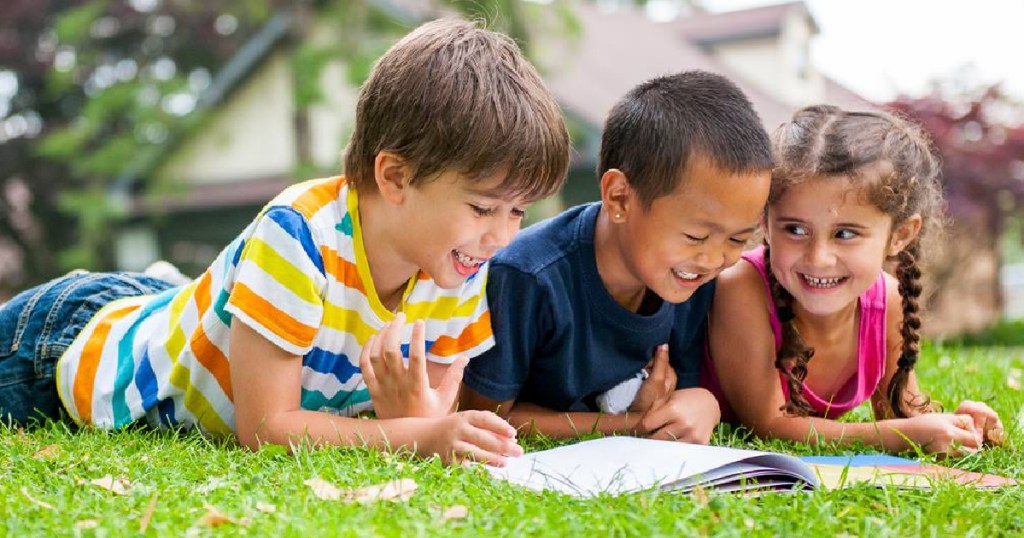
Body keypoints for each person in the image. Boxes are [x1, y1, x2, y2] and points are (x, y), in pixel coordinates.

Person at [0, 18, 570, 467]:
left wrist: (417, 419)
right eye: (481, 207)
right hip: (66, 346)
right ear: (395, 177)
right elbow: (267, 429)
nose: (501, 235)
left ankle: (193, 297)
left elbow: (429, 410)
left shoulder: (460, 264)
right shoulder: (299, 233)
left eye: (517, 211)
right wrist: (414, 434)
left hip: (187, 320)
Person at [460, 71, 773, 443]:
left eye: (738, 238)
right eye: (695, 236)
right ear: (620, 198)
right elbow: (485, 419)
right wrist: (631, 426)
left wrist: (703, 402)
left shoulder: (693, 280)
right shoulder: (529, 276)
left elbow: (680, 399)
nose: (714, 258)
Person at [703, 105, 1005, 455]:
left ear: (900, 235)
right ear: (765, 223)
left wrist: (960, 426)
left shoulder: (887, 302)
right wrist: (902, 434)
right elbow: (769, 425)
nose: (818, 258)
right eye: (795, 229)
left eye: (845, 233)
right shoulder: (741, 287)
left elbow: (899, 412)